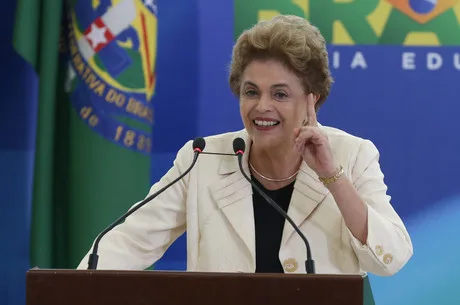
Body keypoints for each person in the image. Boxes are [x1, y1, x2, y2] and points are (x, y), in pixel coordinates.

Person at [77, 15, 413, 275]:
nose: (262, 106)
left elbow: (391, 258)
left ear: (314, 100)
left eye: (280, 94)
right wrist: (74, 289)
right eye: (251, 91)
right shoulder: (202, 158)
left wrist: (332, 176)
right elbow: (131, 242)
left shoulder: (351, 155)